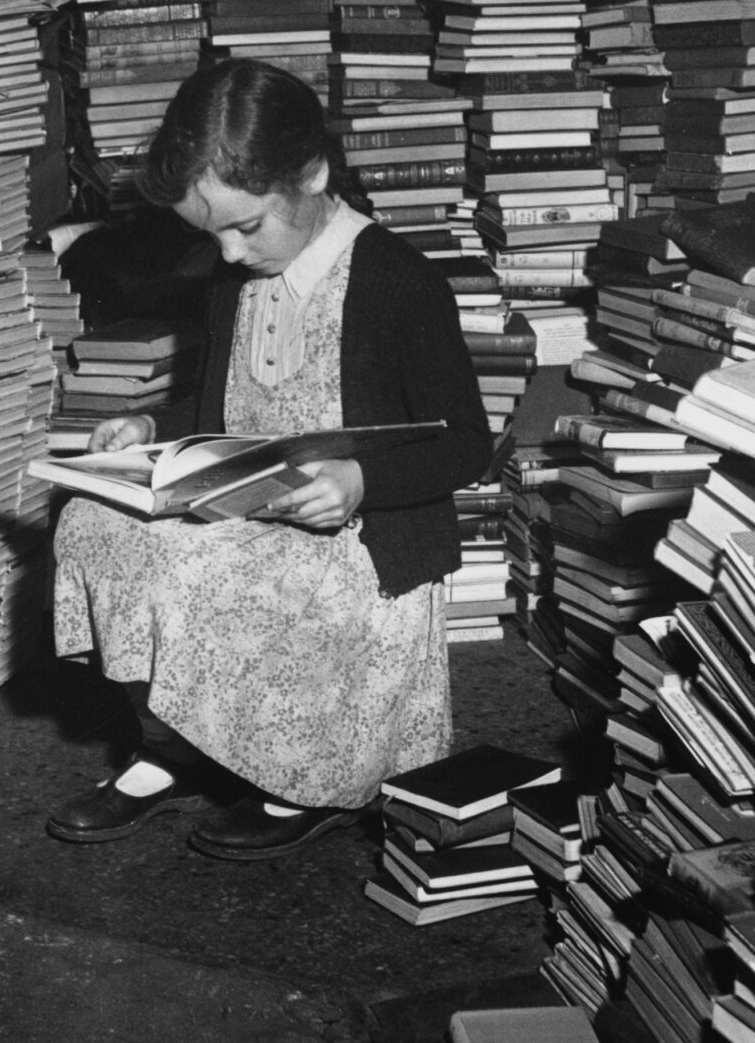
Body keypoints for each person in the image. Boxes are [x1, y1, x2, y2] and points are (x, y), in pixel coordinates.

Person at [45, 57, 493, 862]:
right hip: (252, 513)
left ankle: (302, 778)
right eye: (207, 231)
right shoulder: (235, 277)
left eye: (245, 226)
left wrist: (360, 482)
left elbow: (467, 442)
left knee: (191, 576)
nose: (225, 252)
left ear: (313, 174)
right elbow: (228, 409)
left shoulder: (399, 281)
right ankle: (179, 740)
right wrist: (147, 425)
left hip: (354, 543)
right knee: (91, 528)